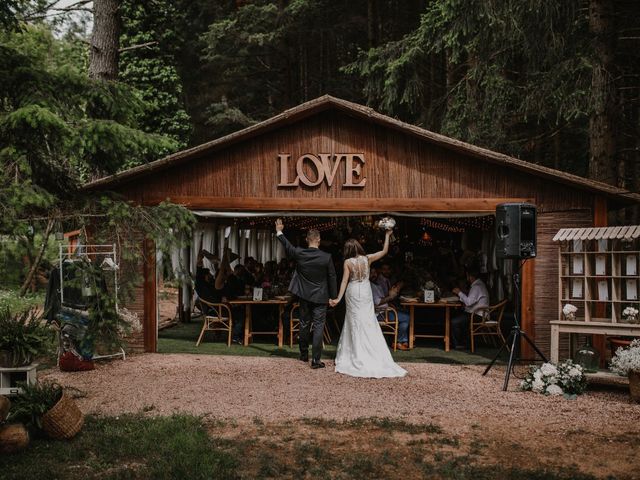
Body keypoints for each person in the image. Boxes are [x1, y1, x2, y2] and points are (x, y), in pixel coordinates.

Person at [329, 230, 407, 378]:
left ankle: (355, 352)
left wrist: (338, 298)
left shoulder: (347, 262)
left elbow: (344, 281)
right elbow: (384, 251)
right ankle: (372, 352)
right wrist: (387, 235)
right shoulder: (367, 259)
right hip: (365, 291)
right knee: (368, 320)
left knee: (354, 321)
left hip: (352, 291)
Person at [275, 218, 337, 369]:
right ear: (319, 240)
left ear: (307, 240)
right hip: (321, 297)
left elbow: (288, 247)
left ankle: (303, 354)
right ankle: (315, 360)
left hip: (304, 296)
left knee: (303, 324)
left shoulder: (300, 253)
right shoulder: (326, 257)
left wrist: (279, 231)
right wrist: (334, 297)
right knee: (318, 327)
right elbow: (332, 277)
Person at [369, 266, 410, 351]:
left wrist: (389, 302)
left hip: (386, 310)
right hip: (380, 314)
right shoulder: (370, 286)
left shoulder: (376, 285)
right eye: (371, 273)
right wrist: (391, 297)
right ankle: (400, 341)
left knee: (406, 314)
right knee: (406, 317)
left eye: (375, 273)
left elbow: (383, 298)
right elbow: (377, 302)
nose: (374, 275)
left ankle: (401, 341)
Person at [451, 264, 489, 349]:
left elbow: (468, 302)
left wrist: (459, 292)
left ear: (470, 276)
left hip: (478, 315)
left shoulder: (476, 287)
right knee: (458, 314)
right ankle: (463, 341)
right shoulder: (479, 284)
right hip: (477, 313)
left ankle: (458, 344)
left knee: (455, 321)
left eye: (467, 276)